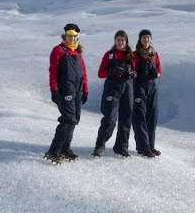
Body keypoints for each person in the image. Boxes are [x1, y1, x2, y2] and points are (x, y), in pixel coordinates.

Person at [44, 23, 89, 164]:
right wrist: (54, 89)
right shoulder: (58, 50)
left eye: (75, 36)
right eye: (70, 36)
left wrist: (85, 89)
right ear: (65, 35)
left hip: (78, 90)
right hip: (65, 90)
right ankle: (54, 150)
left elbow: (83, 73)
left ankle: (65, 149)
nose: (72, 38)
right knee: (68, 119)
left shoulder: (77, 52)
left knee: (74, 119)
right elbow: (53, 71)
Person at [92, 30, 137, 158]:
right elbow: (101, 73)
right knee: (110, 119)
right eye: (118, 39)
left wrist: (133, 74)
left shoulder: (130, 55)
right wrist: (111, 72)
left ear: (126, 41)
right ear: (114, 41)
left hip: (127, 88)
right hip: (112, 88)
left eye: (122, 40)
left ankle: (121, 147)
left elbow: (134, 71)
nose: (120, 42)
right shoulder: (109, 55)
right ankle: (100, 145)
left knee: (126, 118)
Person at [132, 29, 162, 158]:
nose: (146, 39)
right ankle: (143, 148)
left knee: (152, 116)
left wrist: (157, 73)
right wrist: (137, 74)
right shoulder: (135, 54)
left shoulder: (154, 54)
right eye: (144, 37)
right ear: (140, 39)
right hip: (139, 86)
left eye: (148, 37)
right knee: (140, 116)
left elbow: (160, 70)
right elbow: (131, 70)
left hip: (152, 87)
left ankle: (150, 146)